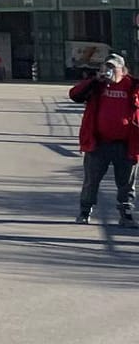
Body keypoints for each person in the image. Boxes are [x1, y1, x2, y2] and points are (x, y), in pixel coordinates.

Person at [67, 53, 138, 225]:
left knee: (126, 182)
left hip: (126, 144)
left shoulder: (133, 86)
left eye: (113, 68)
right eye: (107, 67)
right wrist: (93, 81)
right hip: (98, 143)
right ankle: (85, 211)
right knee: (91, 180)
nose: (109, 72)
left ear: (123, 70)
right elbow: (75, 95)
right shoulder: (97, 86)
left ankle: (126, 212)